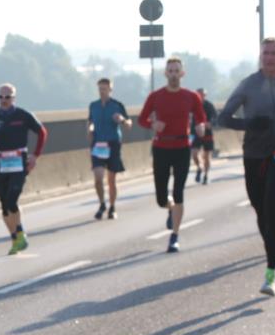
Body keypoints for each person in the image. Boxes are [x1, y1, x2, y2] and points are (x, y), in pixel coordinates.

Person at [219, 39, 275, 295]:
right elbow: (223, 117)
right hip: (253, 154)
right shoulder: (249, 84)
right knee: (261, 210)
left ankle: (270, 273)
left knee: (272, 205)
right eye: (266, 53)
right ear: (260, 56)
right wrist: (248, 124)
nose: (270, 57)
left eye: (274, 53)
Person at [138, 57, 206, 252]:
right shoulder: (156, 96)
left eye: (177, 71)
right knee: (161, 197)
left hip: (182, 147)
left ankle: (174, 236)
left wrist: (200, 125)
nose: (174, 74)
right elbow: (142, 119)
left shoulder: (191, 96)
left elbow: (200, 115)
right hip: (161, 147)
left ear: (182, 74)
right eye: (171, 71)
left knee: (178, 192)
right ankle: (169, 209)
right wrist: (153, 124)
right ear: (165, 74)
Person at [0, 83, 48, 253]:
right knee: (3, 205)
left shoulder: (23, 115)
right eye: (1, 97)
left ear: (14, 98)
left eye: (7, 97)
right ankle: (15, 240)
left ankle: (20, 232)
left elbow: (42, 132)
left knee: (12, 200)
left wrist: (35, 155)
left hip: (19, 161)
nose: (4, 100)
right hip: (1, 162)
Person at [86, 78, 131, 220]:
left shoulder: (117, 105)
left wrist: (122, 120)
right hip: (98, 144)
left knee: (111, 180)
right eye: (100, 89)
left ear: (110, 90)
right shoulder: (93, 105)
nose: (102, 91)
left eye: (105, 89)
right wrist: (90, 128)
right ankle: (101, 204)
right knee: (98, 178)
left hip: (113, 144)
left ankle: (112, 207)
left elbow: (129, 124)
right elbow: (90, 121)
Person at [191, 88, 217, 185]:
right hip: (196, 133)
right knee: (194, 153)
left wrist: (210, 123)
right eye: (198, 94)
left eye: (202, 94)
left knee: (206, 156)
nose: (200, 96)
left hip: (207, 134)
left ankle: (206, 175)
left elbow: (215, 117)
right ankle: (199, 168)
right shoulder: (192, 105)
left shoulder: (209, 105)